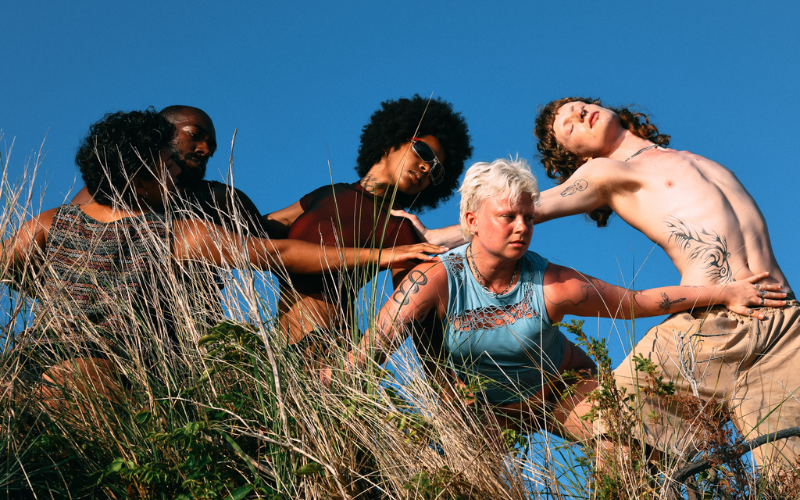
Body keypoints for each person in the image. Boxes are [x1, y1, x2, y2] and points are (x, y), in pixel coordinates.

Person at [4, 109, 444, 407]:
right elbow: (13, 268)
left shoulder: (187, 225)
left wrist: (393, 250)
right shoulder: (55, 222)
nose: (194, 160)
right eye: (172, 160)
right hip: (39, 359)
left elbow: (272, 246)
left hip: (125, 366)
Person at [338, 158, 782, 449]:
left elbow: (638, 302)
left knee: (619, 448)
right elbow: (372, 349)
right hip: (482, 411)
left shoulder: (553, 283)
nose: (521, 227)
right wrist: (332, 383)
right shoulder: (433, 282)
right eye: (507, 216)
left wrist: (725, 292)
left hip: (561, 389)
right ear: (471, 221)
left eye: (528, 217)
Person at [531, 97, 800, 467]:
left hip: (784, 325)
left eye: (580, 107)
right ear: (577, 159)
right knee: (615, 423)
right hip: (709, 321)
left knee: (789, 473)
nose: (579, 115)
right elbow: (522, 211)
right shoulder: (604, 172)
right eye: (569, 127)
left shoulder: (694, 158)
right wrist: (439, 234)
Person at [265, 95, 472, 351]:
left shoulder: (398, 227)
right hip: (276, 351)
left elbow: (416, 314)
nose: (427, 168)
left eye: (436, 170)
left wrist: (444, 384)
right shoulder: (328, 193)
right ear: (392, 141)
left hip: (329, 355)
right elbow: (253, 233)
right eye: (425, 152)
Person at [71, 105, 271, 237]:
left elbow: (268, 236)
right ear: (160, 132)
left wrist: (303, 204)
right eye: (194, 134)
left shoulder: (216, 197)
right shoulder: (102, 193)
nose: (205, 150)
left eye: (212, 146)